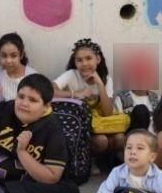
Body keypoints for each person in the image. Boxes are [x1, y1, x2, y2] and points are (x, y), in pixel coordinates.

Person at [54, 38, 126, 169]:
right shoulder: (71, 75)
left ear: (97, 59)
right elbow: (50, 90)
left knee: (120, 138)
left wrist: (100, 84)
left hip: (100, 124)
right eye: (79, 60)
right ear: (75, 62)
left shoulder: (106, 79)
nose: (84, 63)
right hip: (80, 127)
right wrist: (76, 94)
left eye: (88, 58)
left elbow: (108, 112)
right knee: (102, 141)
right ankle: (87, 162)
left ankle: (106, 162)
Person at [0, 32, 39, 100]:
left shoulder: (32, 76)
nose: (8, 60)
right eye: (4, 56)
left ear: (21, 55)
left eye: (14, 56)